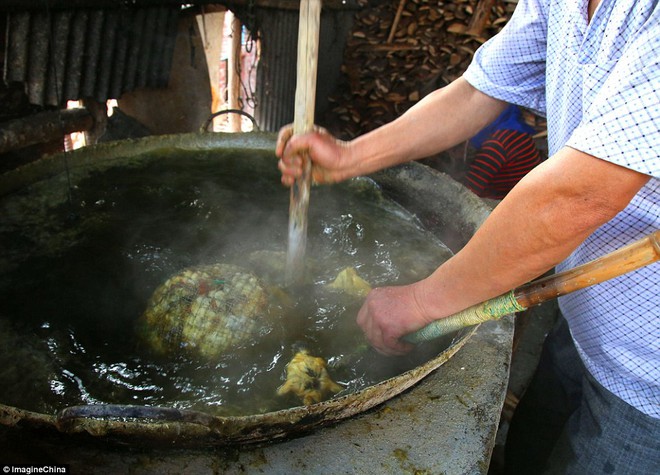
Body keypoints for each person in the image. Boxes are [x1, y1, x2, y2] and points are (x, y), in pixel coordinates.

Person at [277, 0, 659, 473]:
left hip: (651, 375)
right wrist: (350, 157)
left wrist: (420, 301)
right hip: (587, 314)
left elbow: (577, 197)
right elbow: (479, 91)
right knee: (530, 452)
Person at [463, 104, 542, 199]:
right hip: (527, 193)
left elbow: (469, 190)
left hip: (506, 200)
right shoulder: (517, 131)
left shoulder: (496, 145)